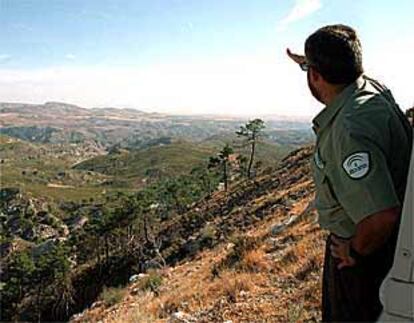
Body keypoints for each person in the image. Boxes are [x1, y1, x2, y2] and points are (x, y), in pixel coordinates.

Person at [287, 24, 413, 322]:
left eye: (310, 70)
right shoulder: (370, 89)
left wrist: (354, 251)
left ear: (316, 76)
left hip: (363, 260)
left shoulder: (348, 130)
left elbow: (381, 216)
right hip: (387, 248)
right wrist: (307, 62)